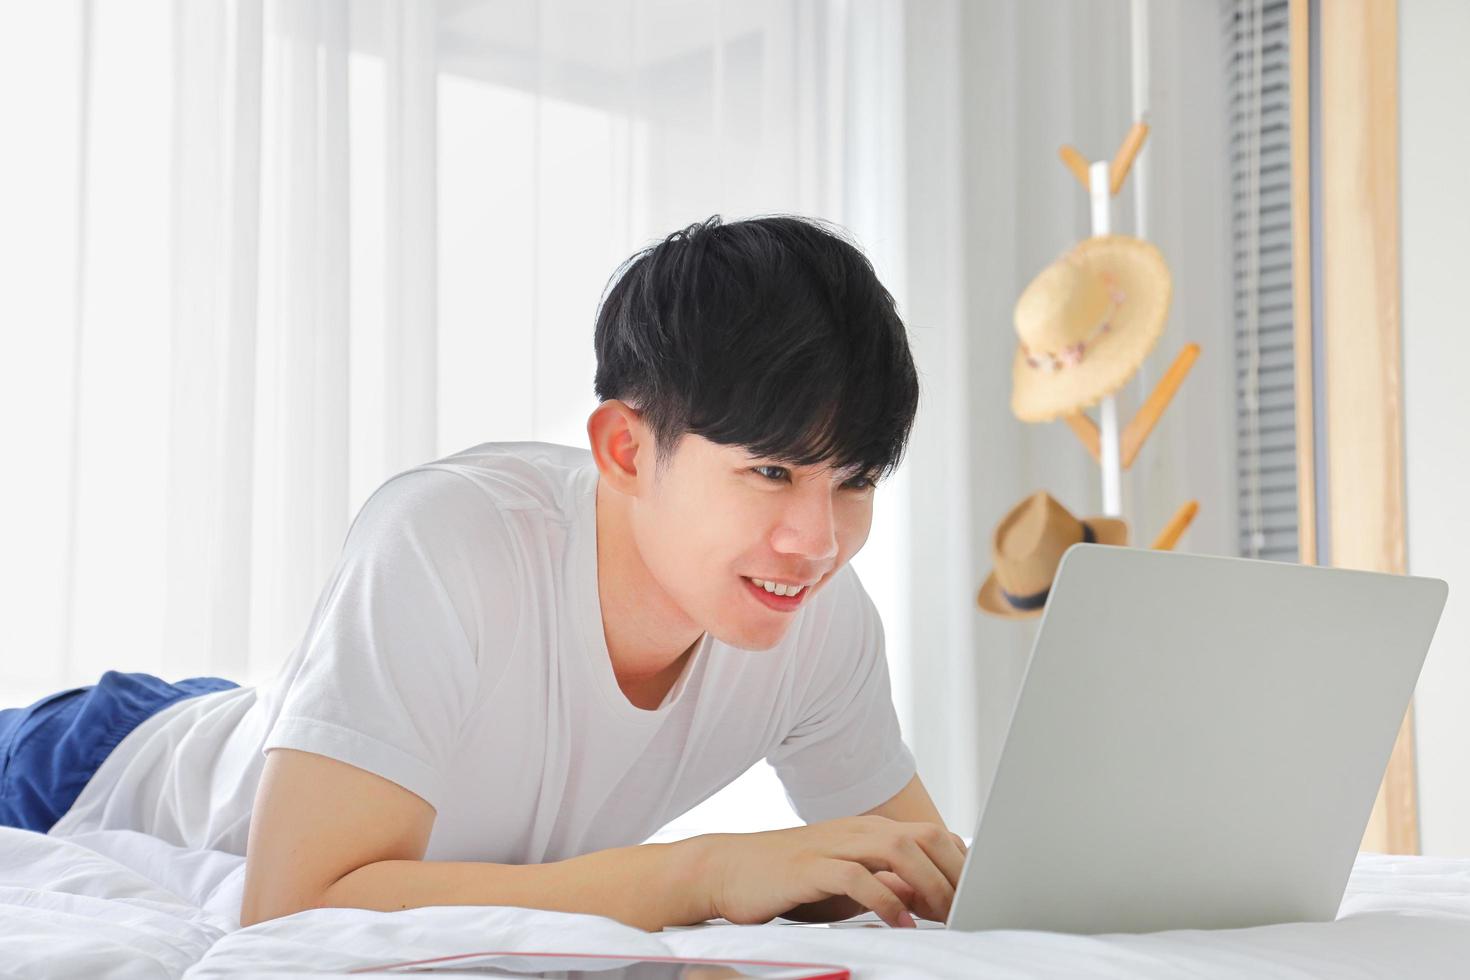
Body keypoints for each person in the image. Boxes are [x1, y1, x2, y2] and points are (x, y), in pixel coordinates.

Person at [0, 214, 967, 932]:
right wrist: (702, 874)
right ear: (627, 451)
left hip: (308, 728)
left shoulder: (819, 618)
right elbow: (293, 906)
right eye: (770, 470)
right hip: (101, 762)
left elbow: (928, 876)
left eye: (856, 481)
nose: (817, 539)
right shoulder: (450, 540)